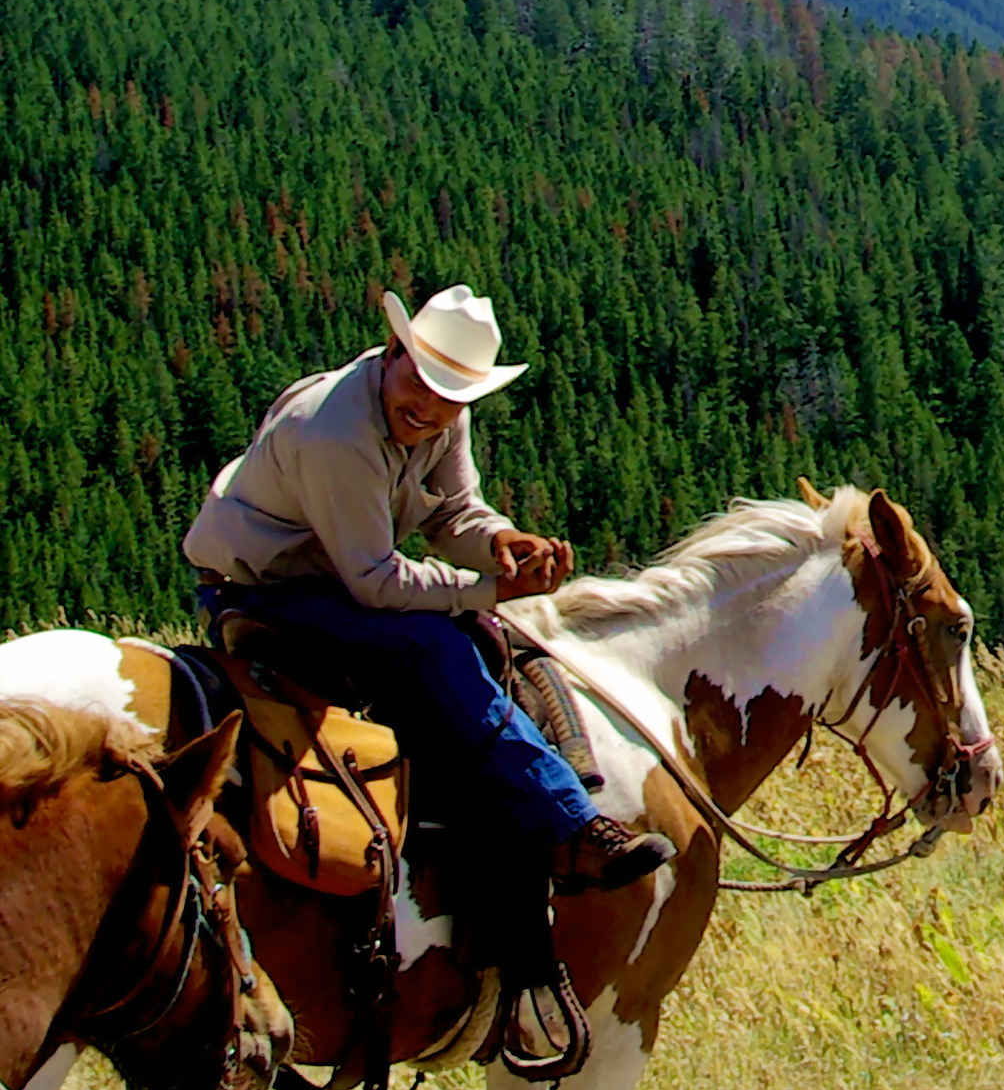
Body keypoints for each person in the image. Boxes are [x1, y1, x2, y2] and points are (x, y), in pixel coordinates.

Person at [182, 284, 671, 893]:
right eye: (420, 382)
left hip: (327, 576)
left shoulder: (443, 414)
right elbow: (374, 581)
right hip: (266, 589)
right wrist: (488, 590)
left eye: (451, 395)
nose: (430, 407)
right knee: (433, 645)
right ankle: (568, 828)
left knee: (489, 637)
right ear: (393, 350)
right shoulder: (335, 433)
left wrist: (502, 543)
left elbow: (454, 513)